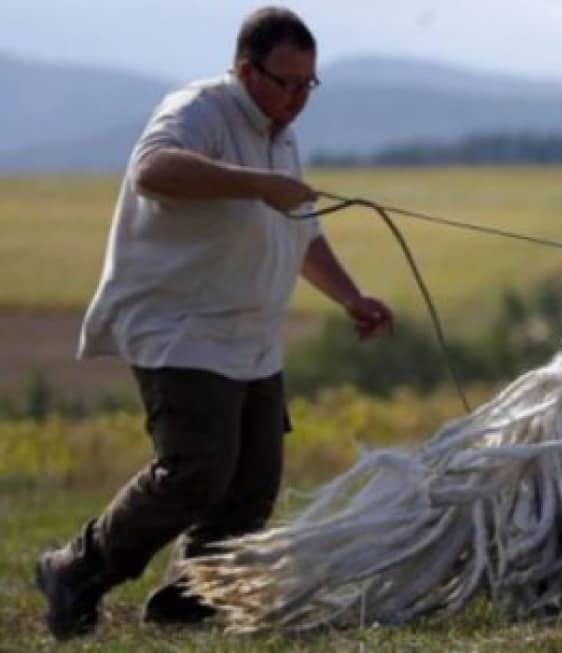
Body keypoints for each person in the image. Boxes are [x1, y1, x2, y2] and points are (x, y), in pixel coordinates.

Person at [34, 6, 394, 639]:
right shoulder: (198, 110)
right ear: (243, 68)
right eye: (284, 82)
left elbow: (301, 234)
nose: (295, 99)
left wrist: (350, 297)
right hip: (179, 323)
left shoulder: (282, 133)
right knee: (197, 468)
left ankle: (188, 601)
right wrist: (258, 183)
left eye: (307, 85)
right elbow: (153, 170)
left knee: (253, 483)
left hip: (251, 334)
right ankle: (75, 569)